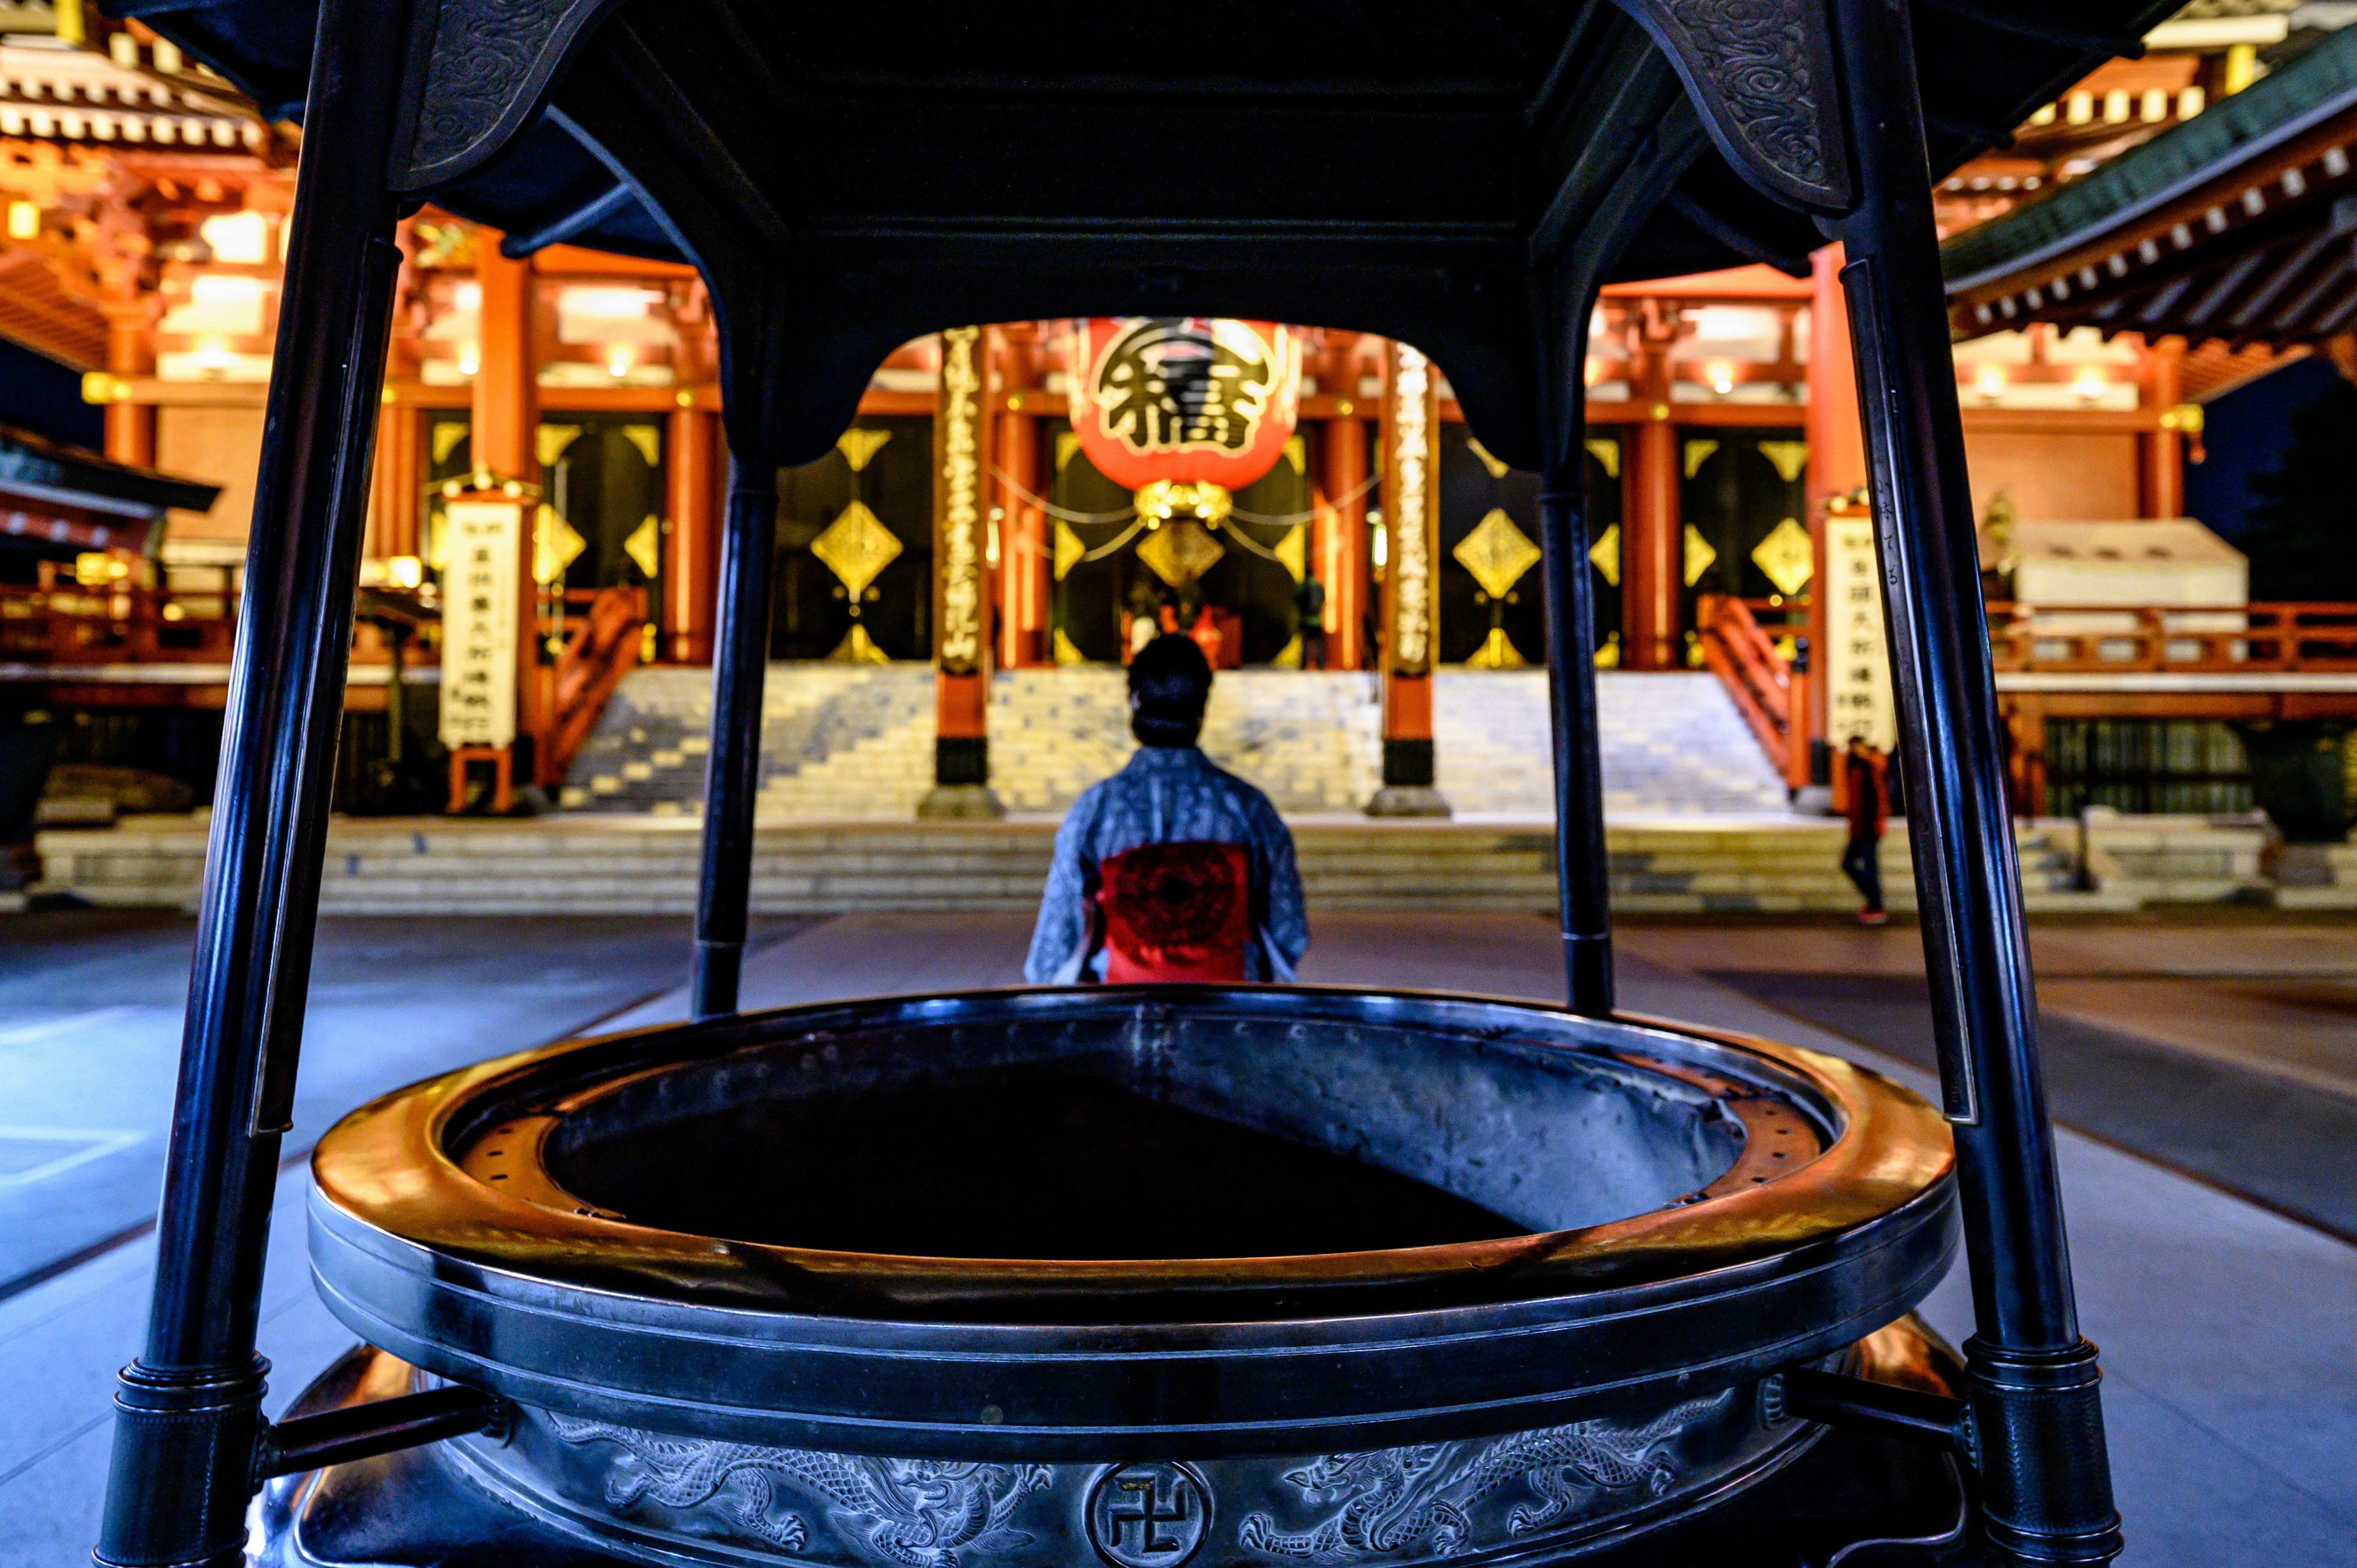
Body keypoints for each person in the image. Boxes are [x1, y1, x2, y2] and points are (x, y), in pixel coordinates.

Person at [1026, 634, 1308, 984]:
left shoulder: (1095, 810)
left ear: (1134, 703)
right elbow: (1289, 931)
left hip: (1122, 1009)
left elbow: (1051, 953)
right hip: (1229, 1008)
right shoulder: (1249, 809)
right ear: (1202, 708)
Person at [1841, 735, 1889, 926]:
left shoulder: (1869, 768)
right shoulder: (1855, 767)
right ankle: (1874, 902)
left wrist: (1877, 823)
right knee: (1851, 865)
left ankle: (1876, 905)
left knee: (1868, 868)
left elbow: (1877, 799)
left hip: (1868, 827)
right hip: (1859, 827)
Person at [1295, 570, 1328, 670]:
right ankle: (1321, 664)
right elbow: (1324, 600)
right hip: (1318, 620)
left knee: (1305, 643)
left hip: (1306, 620)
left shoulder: (1304, 586)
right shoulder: (1319, 586)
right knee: (1319, 644)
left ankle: (1304, 664)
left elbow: (1296, 597)